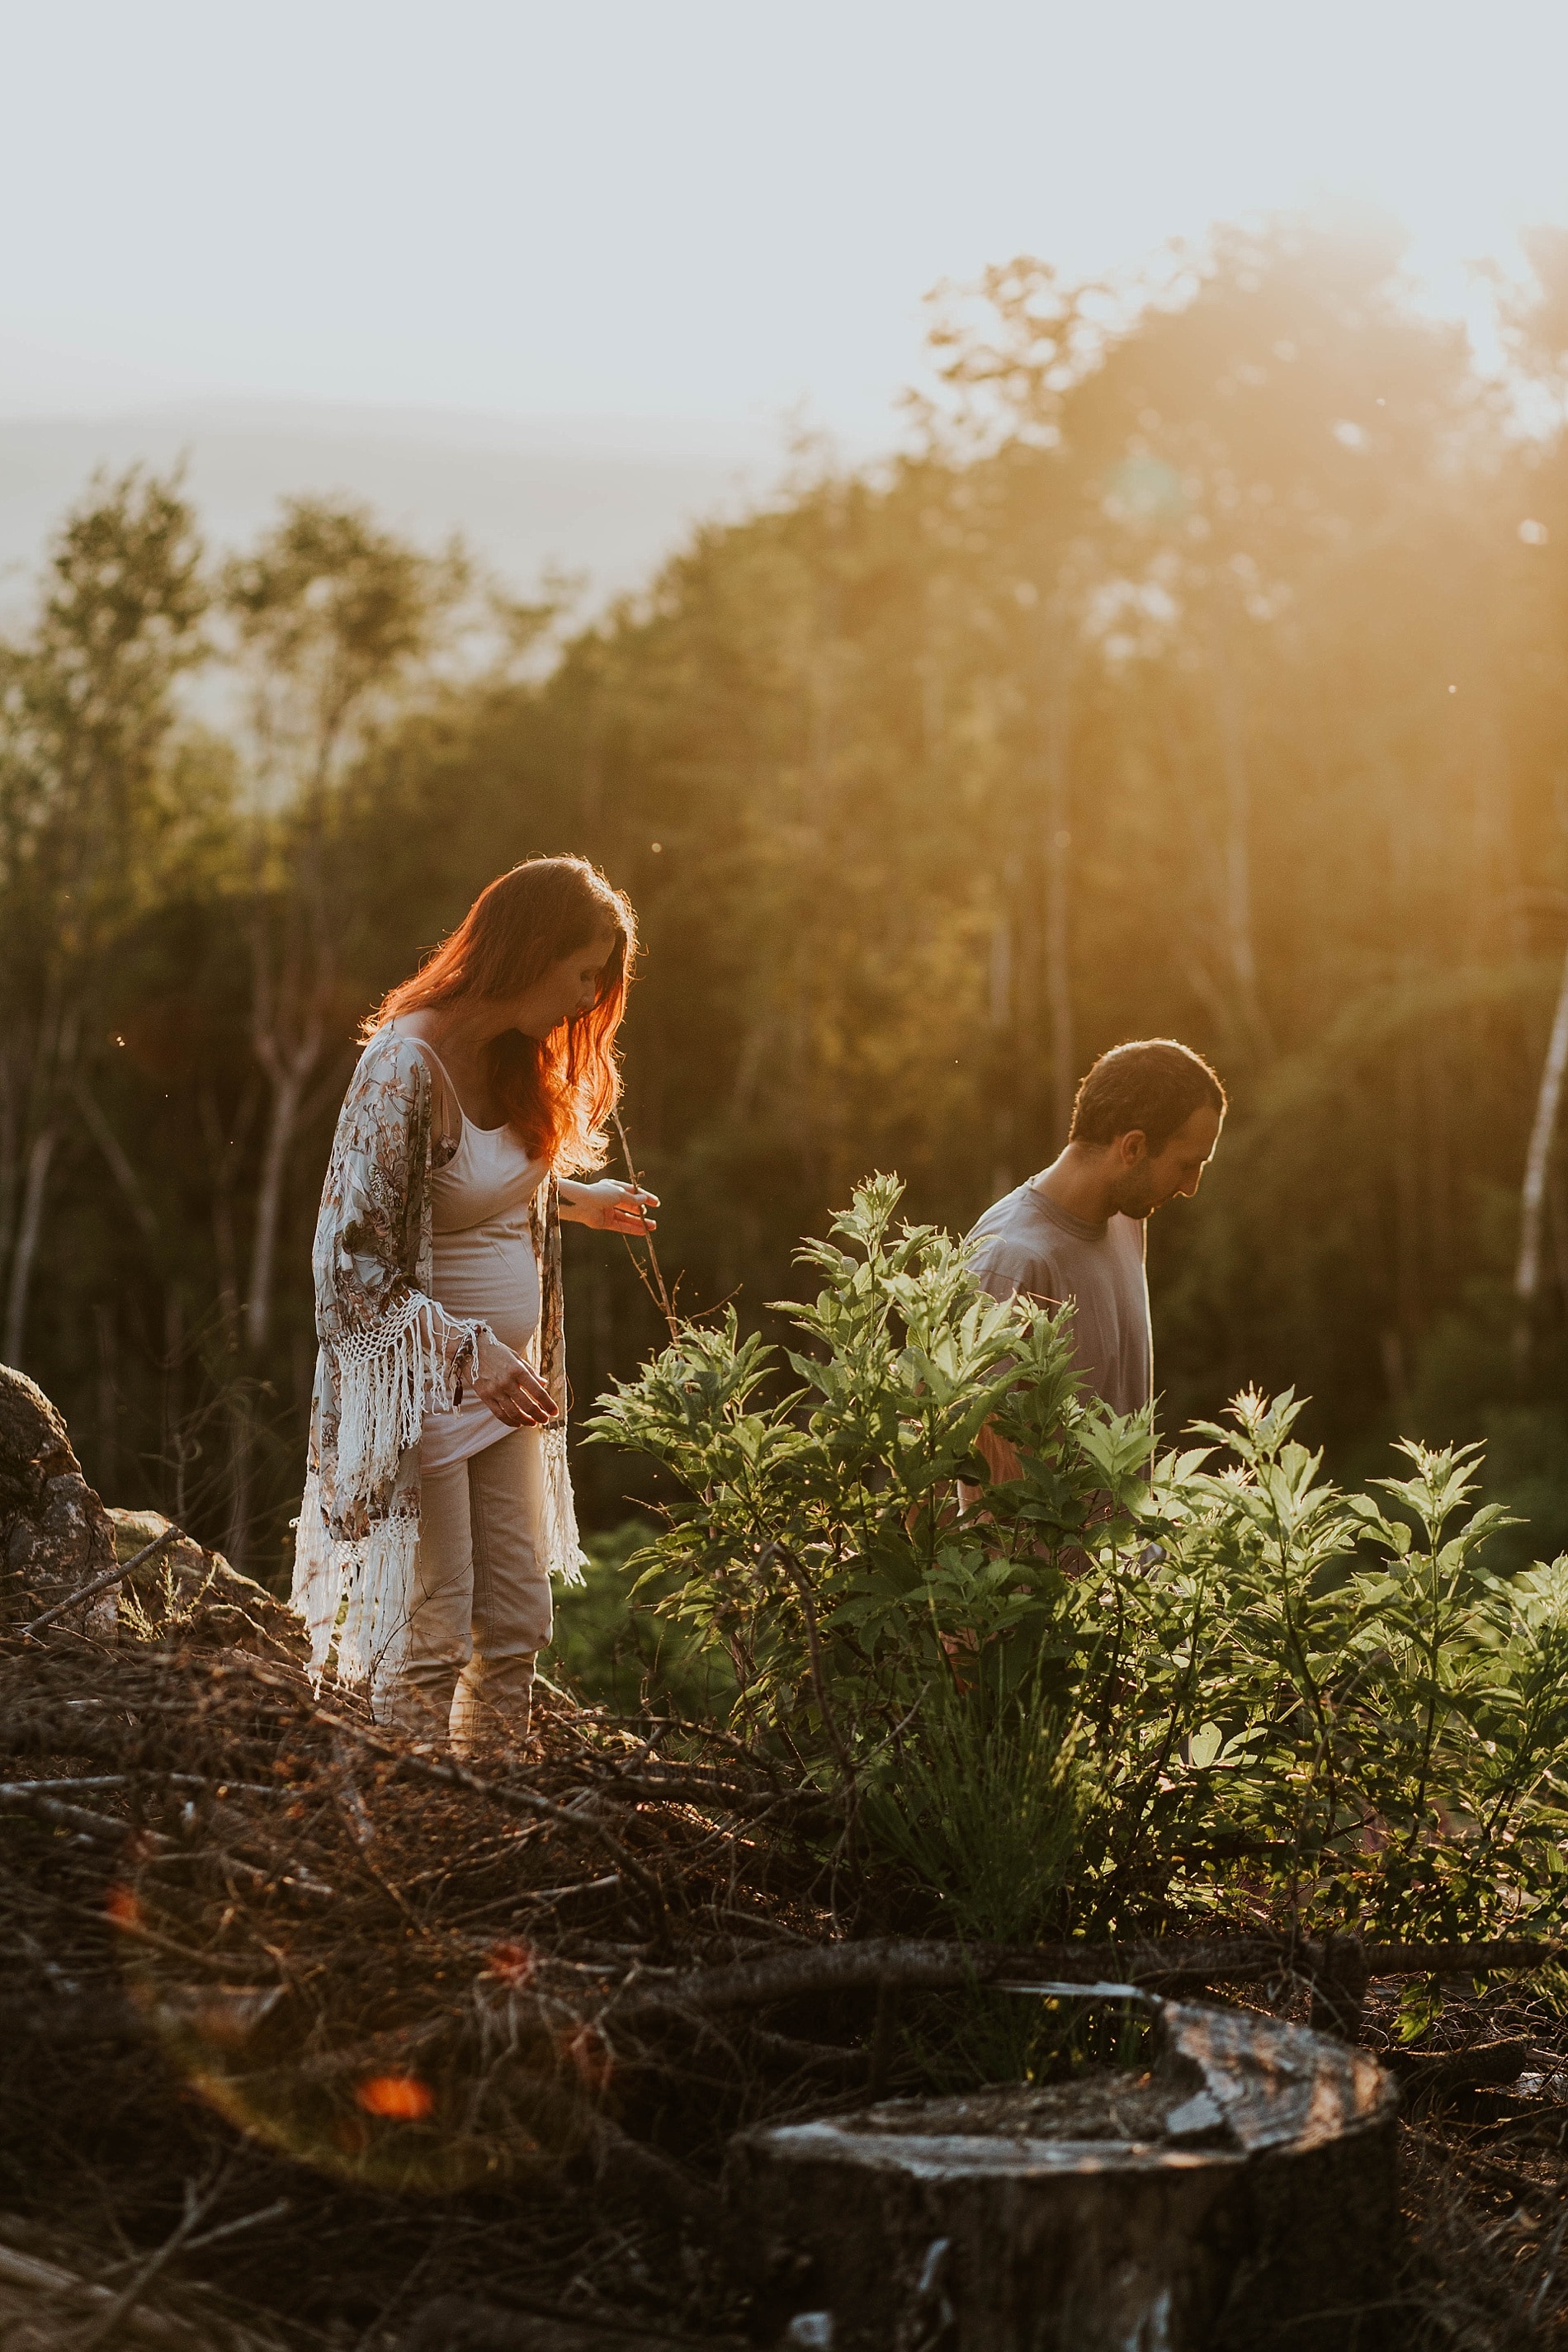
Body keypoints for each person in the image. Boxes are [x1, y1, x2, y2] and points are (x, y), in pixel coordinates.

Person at [291, 856, 658, 1750]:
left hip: (503, 1388)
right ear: (530, 953)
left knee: (518, 1622)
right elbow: (348, 1268)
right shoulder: (403, 1064)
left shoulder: (513, 1056)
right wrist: (470, 1353)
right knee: (434, 1629)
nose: (589, 996)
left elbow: (468, 1185)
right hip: (423, 1390)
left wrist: (578, 1198)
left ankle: (491, 1814)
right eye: (584, 972)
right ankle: (413, 1831)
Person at [966, 1040, 1225, 1471]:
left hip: (1126, 1542)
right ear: (1133, 1148)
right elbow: (940, 1451)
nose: (1190, 1186)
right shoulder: (1011, 1261)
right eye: (1186, 1165)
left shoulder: (1126, 1221)